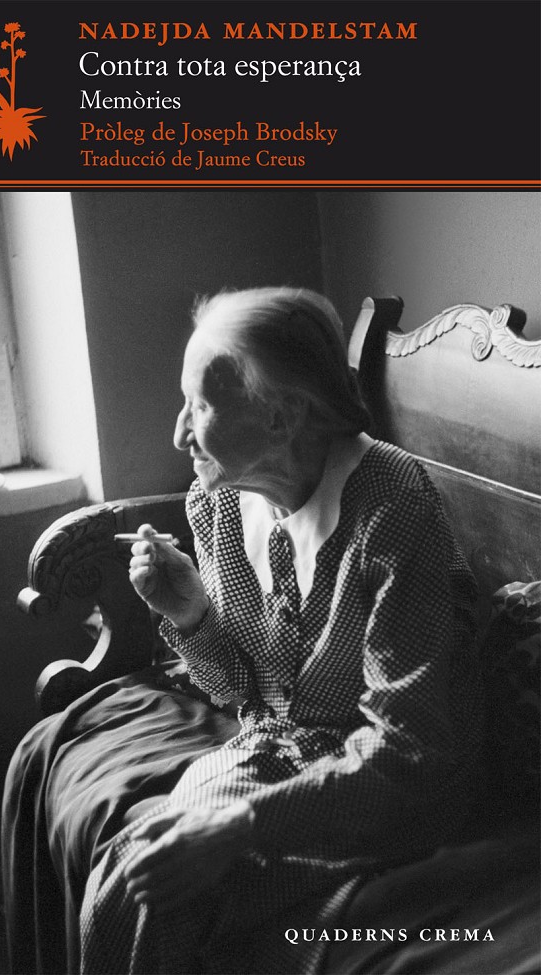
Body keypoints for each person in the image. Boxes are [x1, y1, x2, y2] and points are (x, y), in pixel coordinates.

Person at [76, 287, 484, 974]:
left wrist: (241, 824)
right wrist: (191, 614)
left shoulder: (393, 510)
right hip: (274, 754)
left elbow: (412, 752)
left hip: (381, 792)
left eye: (199, 406)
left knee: (162, 895)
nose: (178, 432)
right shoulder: (219, 501)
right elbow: (245, 695)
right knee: (135, 876)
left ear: (281, 414)